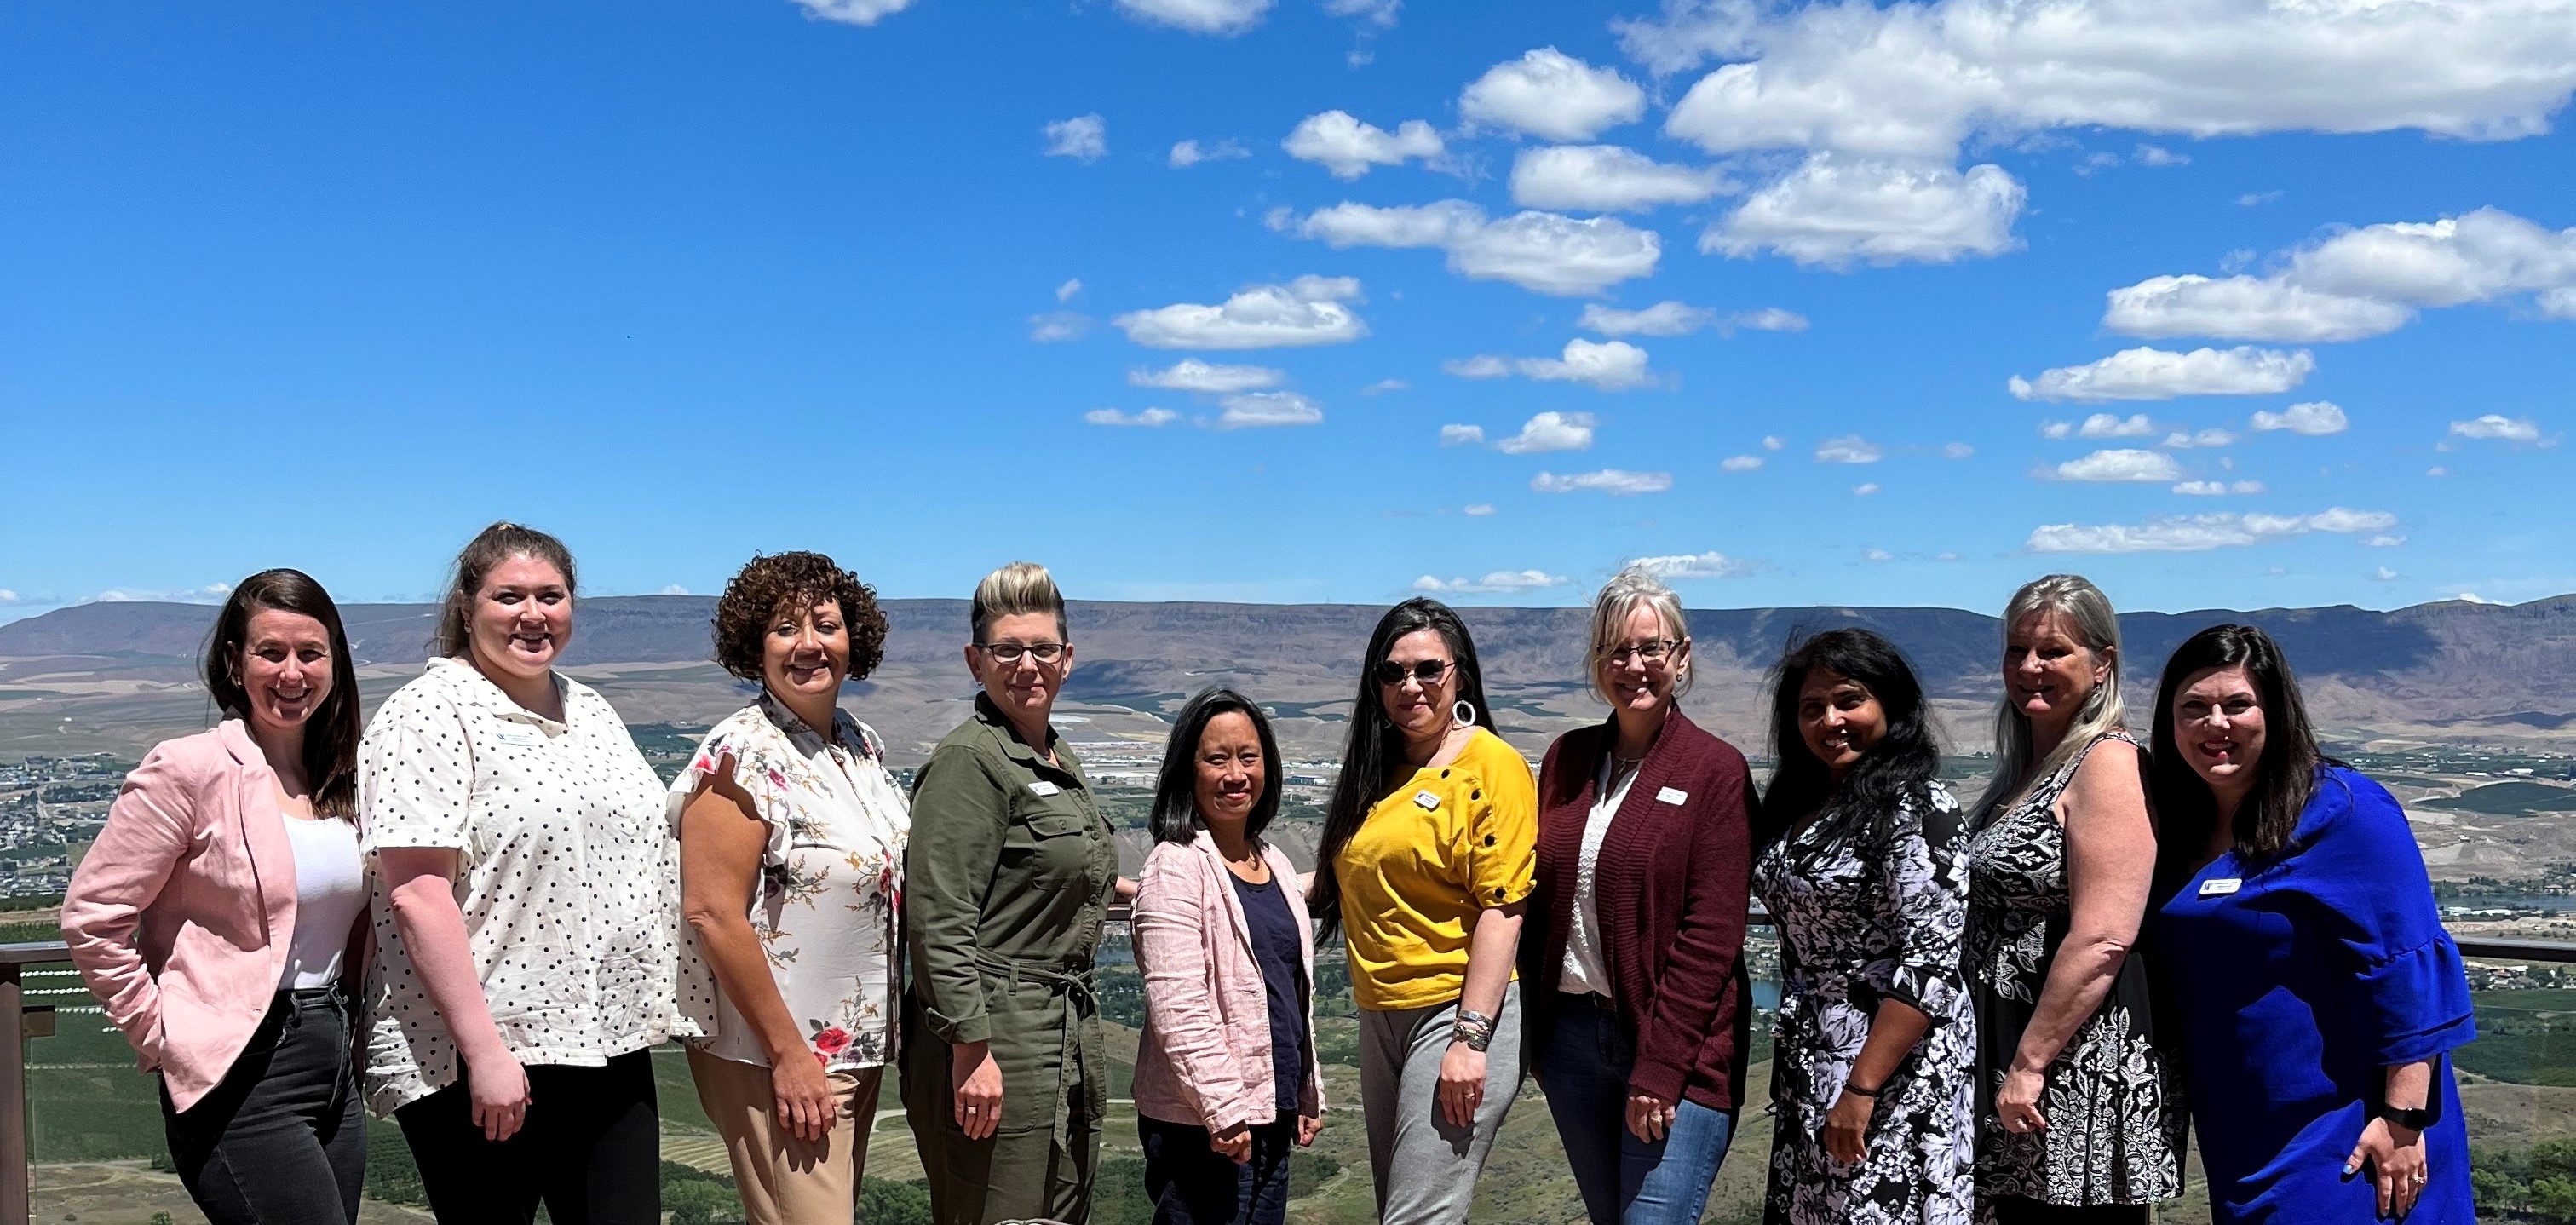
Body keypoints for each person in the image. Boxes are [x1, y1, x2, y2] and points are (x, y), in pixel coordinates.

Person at [359, 521, 685, 1224]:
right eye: (510, 597)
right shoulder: (427, 713)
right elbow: (417, 893)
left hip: (605, 1038)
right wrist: (486, 1054)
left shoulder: (589, 708)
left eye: (551, 595)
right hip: (481, 1053)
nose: (533, 615)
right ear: (468, 606)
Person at [63, 570, 373, 1225]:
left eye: (311, 653)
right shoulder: (189, 768)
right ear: (235, 662)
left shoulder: (344, 776)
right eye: (271, 652)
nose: (292, 673)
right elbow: (92, 916)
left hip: (333, 1058)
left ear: (335, 664)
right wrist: (162, 1034)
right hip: (238, 1070)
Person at [2146, 624, 2475, 1223]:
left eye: (2237, 705)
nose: (2215, 724)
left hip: (2350, 1124)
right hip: (2243, 1124)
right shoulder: (2175, 825)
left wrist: (2403, 1121)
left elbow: (2409, 964)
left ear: (2275, 713)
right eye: (2193, 708)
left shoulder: (2344, 810)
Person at [672, 552, 910, 1225]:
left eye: (826, 625)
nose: (809, 644)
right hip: (780, 1054)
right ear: (755, 647)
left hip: (854, 1050)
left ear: (852, 640)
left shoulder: (857, 745)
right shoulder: (739, 755)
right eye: (784, 627)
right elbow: (712, 911)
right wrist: (789, 1056)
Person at [1523, 567, 1757, 1225]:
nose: (1634, 666)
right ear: (1597, 663)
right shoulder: (1566, 758)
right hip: (1571, 1041)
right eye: (1615, 651)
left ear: (1681, 658)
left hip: (1672, 1048)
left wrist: (1659, 1068)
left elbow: (1712, 937)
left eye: (1651, 648)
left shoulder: (1716, 770)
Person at [902, 561, 1121, 1225]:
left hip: (1061, 1026)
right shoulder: (970, 761)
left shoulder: (1053, 754)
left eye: (1043, 649)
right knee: (999, 1213)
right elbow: (938, 916)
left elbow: (1061, 870)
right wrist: (972, 1050)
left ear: (1068, 658)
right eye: (1007, 650)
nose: (1028, 665)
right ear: (976, 661)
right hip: (997, 1035)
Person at [1308, 596, 1534, 1225]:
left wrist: (1470, 1039)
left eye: (1428, 669)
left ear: (1459, 672)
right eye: (1392, 672)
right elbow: (1336, 879)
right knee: (1402, 1208)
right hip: (1380, 1014)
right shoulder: (1381, 770)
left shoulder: (1492, 765)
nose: (1410, 686)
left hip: (1454, 1011)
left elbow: (1504, 907)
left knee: (1417, 1216)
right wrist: (1210, 878)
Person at [1964, 576, 2183, 1222]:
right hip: (2016, 1048)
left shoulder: (2107, 763)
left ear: (2102, 664)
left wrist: (2030, 1064)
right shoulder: (2031, 764)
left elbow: (2104, 936)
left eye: (2053, 651)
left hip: (2074, 1067)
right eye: (2017, 650)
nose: (2030, 667)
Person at [1752, 628, 1974, 1225]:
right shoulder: (1804, 802)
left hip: (1889, 1068)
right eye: (1811, 708)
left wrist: (1861, 1090)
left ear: (1891, 706)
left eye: (1849, 700)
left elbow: (1929, 967)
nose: (1831, 720)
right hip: (1812, 1056)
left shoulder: (1918, 806)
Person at [1131, 687, 1325, 1225]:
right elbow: (1178, 1002)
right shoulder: (1175, 867)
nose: (1235, 774)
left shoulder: (1274, 861)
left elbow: (1291, 994)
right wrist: (1221, 1109)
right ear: (1187, 772)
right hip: (1203, 1124)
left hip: (1272, 1110)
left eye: (1248, 756)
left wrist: (1308, 1089)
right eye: (1216, 759)